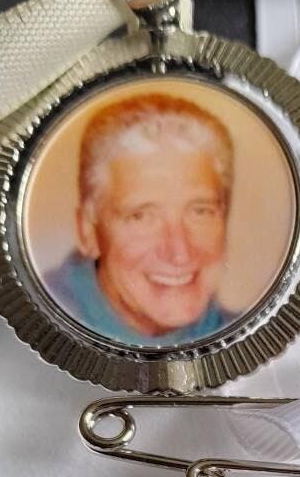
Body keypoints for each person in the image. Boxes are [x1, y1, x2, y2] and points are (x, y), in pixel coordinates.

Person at [46, 93, 235, 346]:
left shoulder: (255, 343)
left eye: (200, 211)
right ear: (87, 232)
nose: (179, 253)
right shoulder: (29, 333)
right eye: (142, 216)